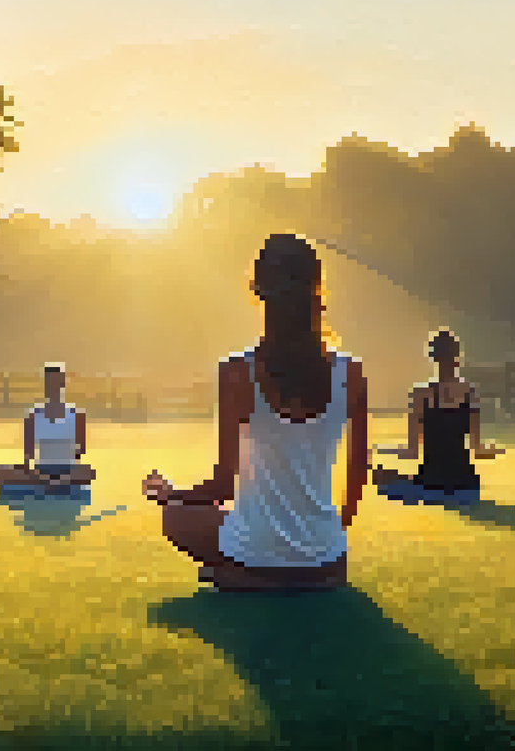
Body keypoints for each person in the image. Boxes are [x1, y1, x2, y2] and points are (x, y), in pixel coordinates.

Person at [141, 232, 366, 592]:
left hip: (255, 550)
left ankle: (254, 575)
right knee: (287, 543)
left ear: (258, 290)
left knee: (176, 517)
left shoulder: (235, 373)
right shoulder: (352, 374)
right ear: (317, 290)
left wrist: (171, 494)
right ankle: (300, 573)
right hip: (327, 559)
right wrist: (328, 541)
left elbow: (222, 486)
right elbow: (357, 475)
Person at [372, 329, 505, 505]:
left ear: (433, 358)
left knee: (382, 478)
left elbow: (411, 452)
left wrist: (379, 449)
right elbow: (478, 450)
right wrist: (494, 450)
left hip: (431, 485)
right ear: (457, 357)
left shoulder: (420, 395)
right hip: (467, 487)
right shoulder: (470, 393)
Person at [0, 363, 94, 498]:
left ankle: (54, 484)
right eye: (50, 383)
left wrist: (65, 476)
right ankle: (50, 484)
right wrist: (36, 474)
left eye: (56, 383)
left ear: (62, 384)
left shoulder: (77, 415)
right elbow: (28, 455)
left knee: (87, 472)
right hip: (41, 472)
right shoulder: (33, 416)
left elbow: (80, 453)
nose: (53, 387)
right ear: (45, 385)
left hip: (68, 472)